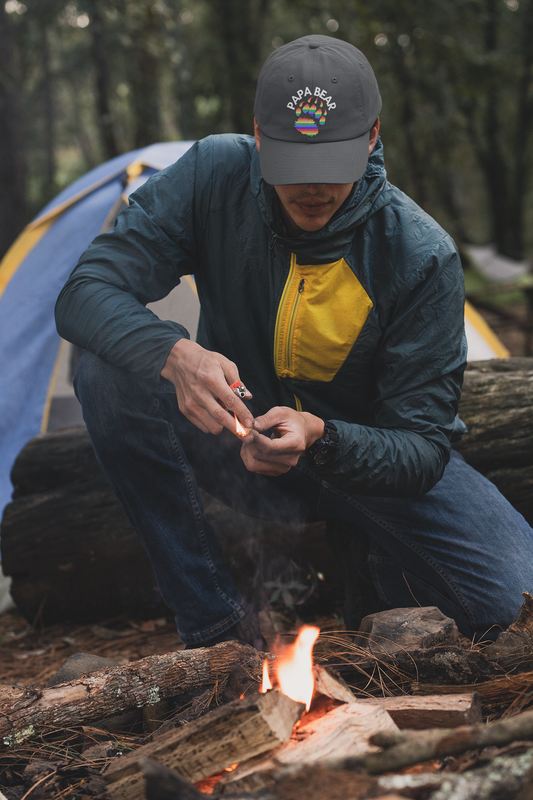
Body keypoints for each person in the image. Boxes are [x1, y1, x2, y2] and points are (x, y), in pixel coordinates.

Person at [55, 34, 533, 648]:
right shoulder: (213, 175)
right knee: (105, 370)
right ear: (258, 134)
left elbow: (421, 448)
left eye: (330, 167)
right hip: (237, 440)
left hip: (363, 460)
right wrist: (175, 355)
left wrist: (323, 437)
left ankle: (372, 564)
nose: (311, 190)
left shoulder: (419, 254)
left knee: (513, 597)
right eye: (292, 166)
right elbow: (84, 290)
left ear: (372, 135)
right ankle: (216, 629)